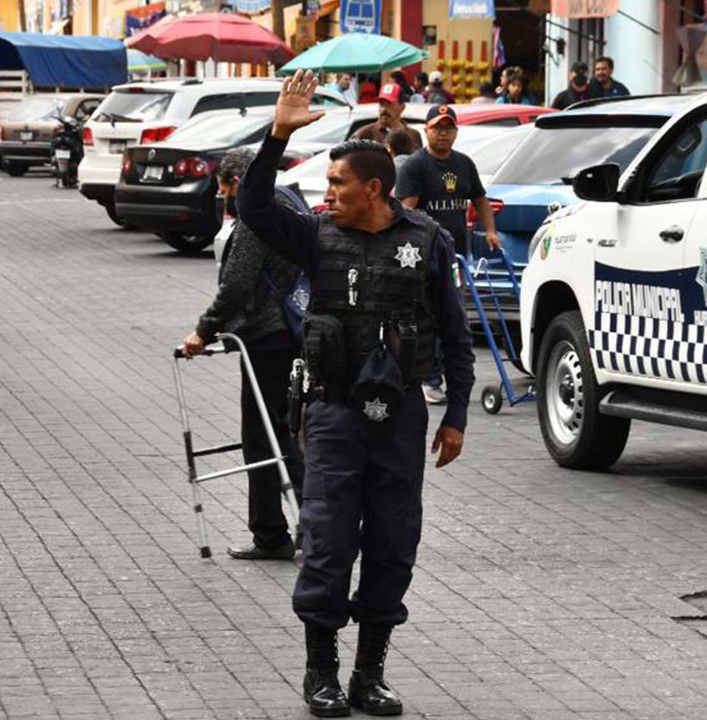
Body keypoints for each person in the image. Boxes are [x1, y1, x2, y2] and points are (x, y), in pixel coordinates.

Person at [237, 71, 475, 718]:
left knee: (394, 542)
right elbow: (252, 209)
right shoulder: (316, 237)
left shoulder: (427, 244)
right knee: (328, 539)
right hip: (334, 413)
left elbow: (455, 337)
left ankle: (370, 674)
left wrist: (455, 416)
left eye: (338, 183)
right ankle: (322, 675)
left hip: (398, 418)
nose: (328, 192)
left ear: (374, 188)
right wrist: (278, 133)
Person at [181, 147, 307, 560]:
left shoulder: (258, 213)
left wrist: (203, 330)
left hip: (267, 334)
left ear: (238, 181)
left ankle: (272, 534)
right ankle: (317, 525)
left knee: (263, 436)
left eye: (224, 192)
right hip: (296, 326)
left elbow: (236, 284)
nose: (226, 201)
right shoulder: (290, 198)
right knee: (287, 430)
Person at [394, 104, 499, 405]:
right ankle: (430, 378)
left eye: (448, 127)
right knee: (431, 315)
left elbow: (480, 201)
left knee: (453, 316)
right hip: (425, 255)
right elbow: (407, 210)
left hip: (456, 255)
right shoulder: (416, 166)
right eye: (437, 127)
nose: (443, 133)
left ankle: (452, 377)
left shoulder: (464, 164)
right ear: (426, 131)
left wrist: (490, 230)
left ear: (456, 132)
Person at [351, 83, 422, 150]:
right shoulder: (364, 135)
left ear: (402, 107)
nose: (384, 109)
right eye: (381, 104)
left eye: (389, 104)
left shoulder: (413, 135)